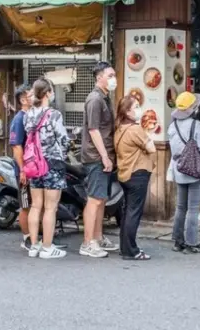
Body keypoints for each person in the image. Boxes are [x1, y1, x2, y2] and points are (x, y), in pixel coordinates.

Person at [23, 78, 70, 260]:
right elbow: (63, 139)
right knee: (50, 208)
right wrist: (63, 153)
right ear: (48, 93)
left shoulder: (28, 115)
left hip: (34, 163)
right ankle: (47, 247)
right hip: (52, 163)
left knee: (36, 205)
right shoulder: (53, 115)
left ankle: (34, 245)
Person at [79, 61, 119, 258]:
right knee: (94, 199)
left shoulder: (105, 98)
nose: (114, 79)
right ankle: (88, 242)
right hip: (96, 156)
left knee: (101, 199)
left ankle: (98, 236)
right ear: (99, 77)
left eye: (114, 75)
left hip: (105, 155)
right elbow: (93, 130)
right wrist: (104, 156)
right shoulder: (95, 99)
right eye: (110, 75)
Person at [168, 92, 200, 254]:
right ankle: (192, 242)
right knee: (193, 208)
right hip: (194, 170)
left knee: (180, 207)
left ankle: (178, 241)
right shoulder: (195, 125)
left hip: (179, 168)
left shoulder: (172, 126)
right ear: (193, 108)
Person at [114, 95, 156, 261]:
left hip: (124, 174)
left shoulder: (119, 128)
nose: (139, 109)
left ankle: (125, 247)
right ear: (127, 111)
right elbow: (151, 148)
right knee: (133, 213)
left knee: (127, 212)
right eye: (136, 106)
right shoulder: (135, 129)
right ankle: (131, 250)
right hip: (137, 173)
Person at [9, 84, 34, 251]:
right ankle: (26, 238)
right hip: (24, 170)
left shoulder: (31, 116)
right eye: (30, 94)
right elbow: (16, 147)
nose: (34, 96)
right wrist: (23, 169)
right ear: (23, 100)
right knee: (25, 205)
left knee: (33, 204)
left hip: (34, 169)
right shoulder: (19, 119)